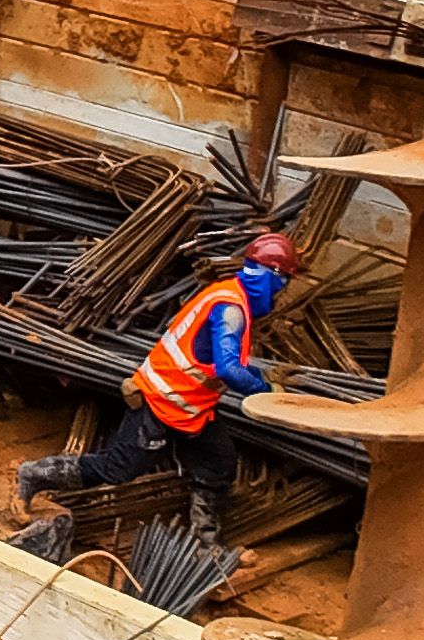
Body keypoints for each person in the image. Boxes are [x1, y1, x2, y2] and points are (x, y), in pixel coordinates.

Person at [19, 235, 291, 553]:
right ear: (272, 278)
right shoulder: (230, 309)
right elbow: (228, 368)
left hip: (193, 409)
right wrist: (265, 390)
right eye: (282, 283)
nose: (282, 293)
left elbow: (215, 361)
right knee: (117, 468)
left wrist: (260, 374)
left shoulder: (230, 295)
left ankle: (206, 542)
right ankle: (35, 474)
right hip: (159, 403)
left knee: (218, 462)